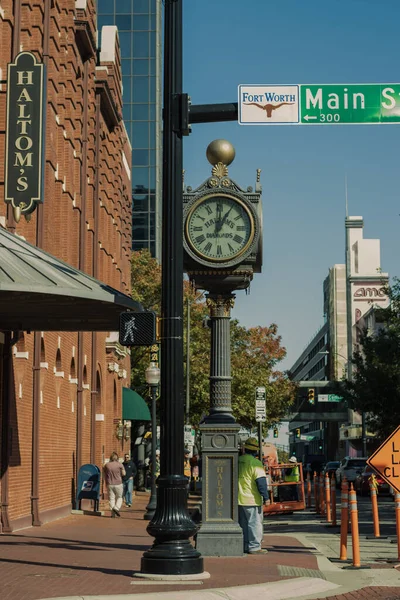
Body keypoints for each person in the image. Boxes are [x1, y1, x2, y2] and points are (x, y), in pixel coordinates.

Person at [238, 437, 269, 555]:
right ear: (256, 451)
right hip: (252, 499)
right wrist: (266, 497)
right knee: (255, 523)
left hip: (238, 499)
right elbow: (261, 482)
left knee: (244, 524)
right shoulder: (255, 463)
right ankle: (255, 547)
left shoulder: (238, 460)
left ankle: (245, 545)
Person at [103, 452, 125, 517]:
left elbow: (104, 473)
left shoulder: (107, 465)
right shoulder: (120, 465)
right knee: (119, 497)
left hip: (110, 484)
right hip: (118, 483)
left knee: (111, 498)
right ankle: (116, 508)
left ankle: (112, 513)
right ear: (117, 458)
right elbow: (124, 474)